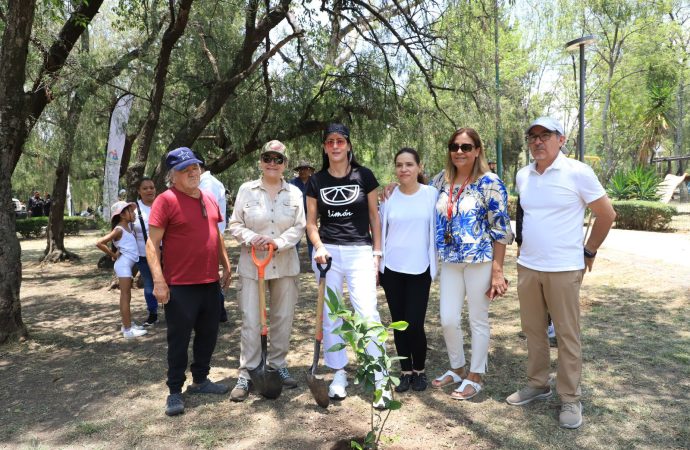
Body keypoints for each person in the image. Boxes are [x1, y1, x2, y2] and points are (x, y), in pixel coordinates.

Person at [506, 117, 616, 429]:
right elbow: (526, 215)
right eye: (532, 137)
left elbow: (606, 214)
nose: (537, 142)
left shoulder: (578, 172)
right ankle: (537, 384)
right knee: (533, 330)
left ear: (561, 138)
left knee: (567, 335)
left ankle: (570, 398)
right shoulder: (523, 175)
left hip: (564, 268)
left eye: (545, 135)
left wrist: (589, 250)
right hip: (528, 266)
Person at [306, 123, 388, 407]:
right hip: (328, 255)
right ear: (325, 147)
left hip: (360, 252)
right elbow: (310, 223)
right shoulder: (316, 181)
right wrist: (318, 247)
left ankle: (379, 378)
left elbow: (375, 218)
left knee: (367, 313)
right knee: (331, 316)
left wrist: (377, 254)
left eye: (340, 140)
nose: (336, 146)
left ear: (349, 145)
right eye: (330, 142)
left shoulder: (364, 176)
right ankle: (338, 373)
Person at [146, 147, 233, 417]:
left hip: (209, 281)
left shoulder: (208, 197)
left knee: (208, 334)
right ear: (173, 176)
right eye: (186, 169)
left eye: (195, 166)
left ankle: (201, 380)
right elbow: (152, 244)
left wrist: (226, 264)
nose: (193, 172)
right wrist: (159, 281)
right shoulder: (166, 200)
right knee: (179, 339)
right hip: (180, 285)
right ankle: (174, 391)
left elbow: (216, 235)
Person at [430, 127, 514, 401]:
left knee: (478, 319)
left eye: (466, 147)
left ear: (477, 150)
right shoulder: (441, 180)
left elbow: (500, 229)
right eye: (454, 146)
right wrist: (395, 187)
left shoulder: (490, 182)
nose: (459, 152)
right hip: (450, 261)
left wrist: (498, 272)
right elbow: (418, 196)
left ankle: (475, 375)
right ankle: (457, 367)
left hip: (480, 260)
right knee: (448, 319)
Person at [227, 140, 306, 401]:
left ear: (285, 164)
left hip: (284, 265)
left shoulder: (294, 193)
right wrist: (252, 238)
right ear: (260, 161)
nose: (272, 163)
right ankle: (248, 373)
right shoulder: (246, 190)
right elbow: (235, 223)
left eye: (278, 159)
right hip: (253, 265)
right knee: (252, 321)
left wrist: (279, 243)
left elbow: (299, 226)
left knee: (282, 318)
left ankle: (277, 365)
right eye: (267, 158)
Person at [378, 148, 438, 393]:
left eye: (409, 164)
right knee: (399, 323)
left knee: (415, 323)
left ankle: (420, 370)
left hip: (420, 269)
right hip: (392, 269)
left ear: (419, 167)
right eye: (399, 165)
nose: (404, 169)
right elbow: (380, 230)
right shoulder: (388, 197)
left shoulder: (431, 194)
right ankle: (405, 372)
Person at [96, 201, 147, 340]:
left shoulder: (127, 226)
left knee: (128, 296)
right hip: (123, 265)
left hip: (127, 265)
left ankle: (127, 324)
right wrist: (113, 255)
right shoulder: (119, 229)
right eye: (131, 211)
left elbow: (125, 243)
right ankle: (127, 330)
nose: (134, 213)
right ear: (123, 215)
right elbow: (99, 242)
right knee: (125, 296)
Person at [195, 152, 229, 323]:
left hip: (211, 236)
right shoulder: (205, 182)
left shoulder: (208, 184)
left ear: (199, 167)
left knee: (211, 276)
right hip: (208, 236)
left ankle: (218, 311)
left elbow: (206, 213)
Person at [132, 177, 159, 326]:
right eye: (145, 188)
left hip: (166, 253)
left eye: (152, 187)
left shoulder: (162, 204)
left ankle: (173, 311)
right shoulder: (134, 209)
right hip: (143, 255)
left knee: (171, 283)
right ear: (139, 191)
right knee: (149, 285)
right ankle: (153, 313)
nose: (149, 190)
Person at [289, 160, 315, 259]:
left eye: (305, 169)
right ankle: (291, 263)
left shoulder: (314, 181)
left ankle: (315, 263)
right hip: (296, 217)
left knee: (312, 240)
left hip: (310, 216)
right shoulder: (292, 183)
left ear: (310, 171)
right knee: (294, 240)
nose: (303, 171)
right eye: (300, 169)